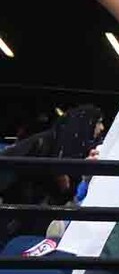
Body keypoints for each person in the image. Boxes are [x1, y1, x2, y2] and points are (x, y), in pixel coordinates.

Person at [0, 105, 104, 245]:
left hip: (38, 219)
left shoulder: (81, 148)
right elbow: (63, 184)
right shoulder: (48, 142)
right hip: (21, 217)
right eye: (98, 122)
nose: (102, 128)